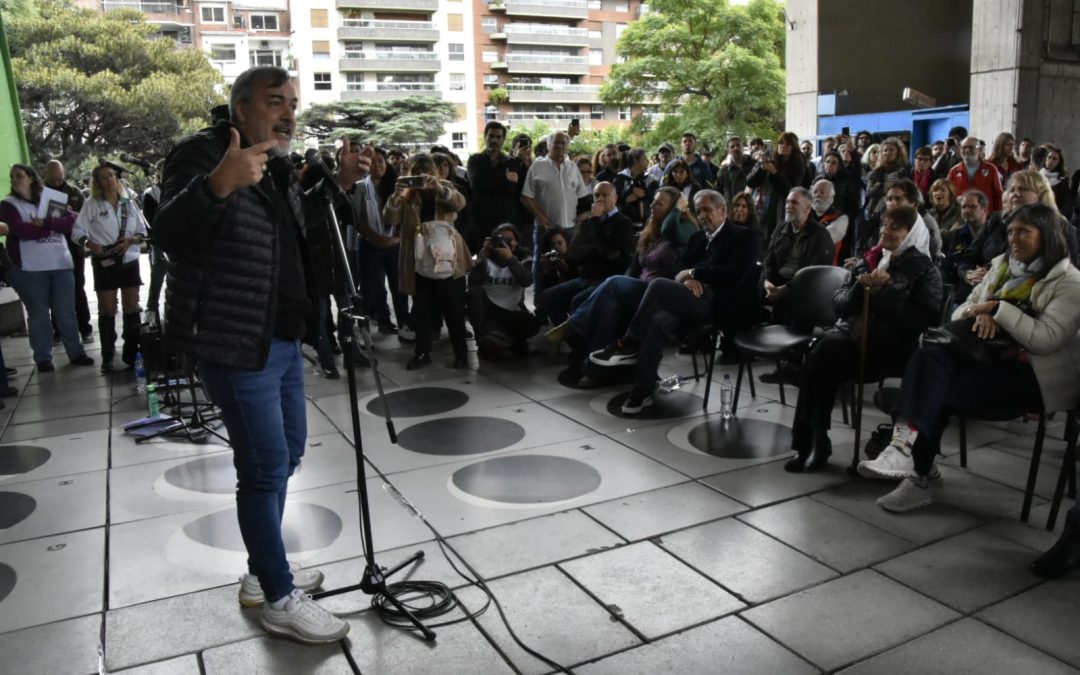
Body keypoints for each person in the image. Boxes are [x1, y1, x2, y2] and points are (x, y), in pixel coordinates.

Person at [154, 66, 349, 644]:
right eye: (274, 102)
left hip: (284, 339)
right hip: (236, 340)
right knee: (262, 469)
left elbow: (284, 243)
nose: (288, 112)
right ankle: (280, 598)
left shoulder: (277, 163)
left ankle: (263, 575)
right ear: (240, 108)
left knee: (284, 455)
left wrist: (330, 186)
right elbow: (168, 233)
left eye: (293, 102)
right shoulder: (201, 156)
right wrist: (218, 183)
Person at [859, 203, 1080, 512]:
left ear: (1048, 236)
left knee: (932, 385)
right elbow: (960, 310)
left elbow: (1046, 339)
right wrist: (981, 313)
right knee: (930, 358)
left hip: (1032, 377)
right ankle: (904, 450)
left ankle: (917, 468)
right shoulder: (1002, 266)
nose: (1014, 238)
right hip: (984, 359)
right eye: (1011, 231)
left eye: (1024, 232)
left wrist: (998, 311)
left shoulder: (1069, 282)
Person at [787, 205, 942, 472]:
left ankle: (814, 442)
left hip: (892, 349)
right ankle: (814, 439)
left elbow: (921, 322)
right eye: (884, 224)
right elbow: (838, 304)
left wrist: (882, 293)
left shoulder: (925, 270)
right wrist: (861, 286)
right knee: (820, 352)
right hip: (850, 341)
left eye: (894, 227)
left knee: (824, 352)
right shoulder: (868, 260)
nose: (885, 231)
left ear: (911, 232)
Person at [588, 190, 759, 414]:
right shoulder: (698, 238)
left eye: (707, 210)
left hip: (720, 305)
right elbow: (680, 269)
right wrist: (687, 279)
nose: (703, 215)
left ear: (722, 210)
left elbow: (735, 275)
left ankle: (628, 343)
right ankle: (642, 391)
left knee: (658, 285)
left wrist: (695, 273)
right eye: (699, 211)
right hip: (692, 299)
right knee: (657, 320)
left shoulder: (743, 236)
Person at [545, 187, 695, 385]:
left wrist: (677, 210)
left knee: (613, 284)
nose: (651, 205)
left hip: (660, 292)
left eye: (659, 203)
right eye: (653, 201)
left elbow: (669, 231)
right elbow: (633, 268)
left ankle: (578, 334)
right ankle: (593, 364)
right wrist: (623, 288)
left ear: (675, 208)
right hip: (639, 287)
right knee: (600, 300)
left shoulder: (684, 228)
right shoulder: (651, 230)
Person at [1, 164, 96, 371]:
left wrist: (45, 223)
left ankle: (76, 352)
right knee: (39, 314)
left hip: (60, 264)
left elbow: (71, 221)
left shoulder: (48, 199)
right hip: (30, 269)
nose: (15, 179)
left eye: (19, 175)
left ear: (32, 179)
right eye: (12, 177)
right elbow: (20, 230)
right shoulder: (8, 204)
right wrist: (52, 226)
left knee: (65, 312)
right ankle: (43, 358)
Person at [384, 153, 472, 370]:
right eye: (416, 174)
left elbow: (460, 204)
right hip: (418, 259)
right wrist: (396, 195)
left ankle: (461, 353)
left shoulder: (445, 187)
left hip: (447, 259)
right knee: (421, 310)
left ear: (434, 172)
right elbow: (390, 219)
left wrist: (439, 188)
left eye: (426, 173)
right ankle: (422, 352)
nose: (422, 178)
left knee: (454, 308)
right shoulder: (406, 194)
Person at [73, 165, 148, 373]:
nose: (110, 180)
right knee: (108, 309)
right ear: (97, 182)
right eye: (104, 178)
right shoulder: (91, 204)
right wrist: (89, 244)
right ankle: (107, 356)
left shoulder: (129, 202)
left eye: (113, 176)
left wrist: (131, 240)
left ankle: (132, 354)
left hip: (128, 260)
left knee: (131, 306)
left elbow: (143, 232)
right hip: (104, 261)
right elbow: (77, 231)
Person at [534, 181, 635, 326]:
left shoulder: (623, 223)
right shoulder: (587, 224)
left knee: (578, 301)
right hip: (583, 277)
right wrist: (595, 249)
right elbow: (574, 252)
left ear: (615, 198)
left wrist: (595, 221)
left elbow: (607, 249)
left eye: (605, 195)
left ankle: (579, 338)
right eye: (596, 195)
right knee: (546, 298)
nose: (600, 199)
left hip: (606, 281)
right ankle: (571, 339)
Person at [521, 131, 590, 305]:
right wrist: (540, 216)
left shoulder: (573, 167)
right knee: (542, 267)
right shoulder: (537, 166)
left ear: (568, 146)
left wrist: (584, 213)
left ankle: (567, 304)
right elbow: (526, 197)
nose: (559, 146)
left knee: (571, 266)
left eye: (563, 143)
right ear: (548, 145)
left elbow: (583, 196)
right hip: (547, 228)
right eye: (556, 143)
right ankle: (540, 305)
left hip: (571, 228)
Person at [468, 223, 538, 358]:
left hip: (512, 310)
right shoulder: (487, 257)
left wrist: (511, 260)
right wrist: (482, 259)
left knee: (532, 324)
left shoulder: (524, 257)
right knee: (474, 293)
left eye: (509, 240)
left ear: (517, 242)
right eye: (500, 239)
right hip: (489, 310)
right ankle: (484, 340)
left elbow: (527, 280)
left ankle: (502, 340)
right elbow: (473, 284)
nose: (504, 243)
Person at [43, 159, 94, 344]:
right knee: (53, 291)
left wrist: (72, 213)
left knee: (77, 287)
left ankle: (85, 328)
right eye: (54, 178)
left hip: (73, 246)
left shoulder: (74, 191)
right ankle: (57, 330)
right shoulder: (39, 192)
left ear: (63, 173)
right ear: (46, 174)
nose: (58, 181)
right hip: (49, 247)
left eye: (60, 177)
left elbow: (84, 218)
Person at [762, 187, 835, 313]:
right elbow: (768, 262)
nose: (788, 206)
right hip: (776, 285)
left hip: (803, 290)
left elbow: (814, 274)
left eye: (794, 202)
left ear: (807, 208)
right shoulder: (780, 229)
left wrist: (785, 290)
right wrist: (768, 284)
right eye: (787, 202)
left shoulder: (821, 235)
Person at [747, 132, 807, 242]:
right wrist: (762, 168)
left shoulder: (799, 165)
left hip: (783, 210)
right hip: (762, 208)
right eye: (781, 143)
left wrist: (775, 172)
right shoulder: (769, 159)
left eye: (788, 144)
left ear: (793, 147)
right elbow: (750, 182)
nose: (783, 146)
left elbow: (792, 190)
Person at [948, 136, 1004, 213]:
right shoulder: (953, 171)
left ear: (979, 149)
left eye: (971, 147)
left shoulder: (991, 169)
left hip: (986, 217)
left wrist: (998, 215)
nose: (967, 150)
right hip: (961, 217)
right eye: (964, 147)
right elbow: (948, 195)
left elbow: (998, 195)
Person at [613, 148, 659, 229]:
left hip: (647, 223)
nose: (648, 160)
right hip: (625, 224)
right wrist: (630, 190)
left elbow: (656, 195)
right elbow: (616, 198)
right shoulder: (620, 178)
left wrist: (643, 193)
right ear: (635, 160)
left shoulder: (651, 178)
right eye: (644, 158)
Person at [810, 180, 848, 263]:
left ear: (831, 197)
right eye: (815, 192)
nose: (817, 195)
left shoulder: (841, 218)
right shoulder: (805, 212)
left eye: (822, 192)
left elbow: (823, 239)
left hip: (825, 266)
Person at [715, 136, 754, 204]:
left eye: (738, 145)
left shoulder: (754, 165)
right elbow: (717, 192)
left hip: (751, 207)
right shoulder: (723, 171)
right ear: (728, 150)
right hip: (732, 209)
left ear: (743, 147)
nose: (736, 148)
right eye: (732, 146)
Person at [1040, 144, 1072, 215]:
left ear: (1059, 162)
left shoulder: (1062, 179)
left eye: (1054, 159)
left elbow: (1063, 201)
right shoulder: (1039, 175)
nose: (1050, 160)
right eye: (1049, 157)